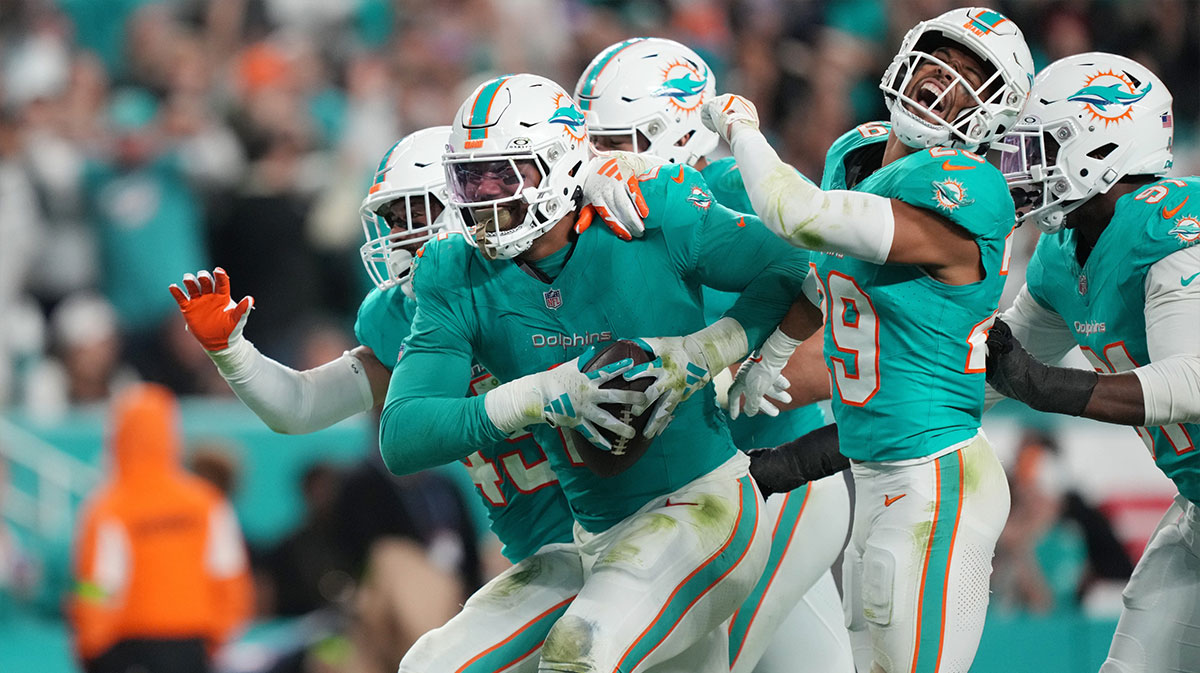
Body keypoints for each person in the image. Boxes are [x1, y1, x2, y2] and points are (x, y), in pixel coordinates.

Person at [378, 73, 809, 672]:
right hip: (593, 538)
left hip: (702, 506)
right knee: (429, 665)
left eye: (505, 174)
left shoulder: (650, 205)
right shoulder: (453, 270)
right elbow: (403, 437)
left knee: (580, 650)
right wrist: (543, 394)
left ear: (558, 165)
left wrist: (711, 351)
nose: (484, 197)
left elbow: (801, 259)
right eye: (470, 178)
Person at [171, 126, 590, 672]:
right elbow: (301, 406)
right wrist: (232, 352)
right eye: (390, 220)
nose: (395, 236)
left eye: (408, 214)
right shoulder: (401, 317)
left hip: (619, 528)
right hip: (544, 556)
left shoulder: (547, 282)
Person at [702, 7, 1034, 672]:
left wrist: (739, 126)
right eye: (941, 61)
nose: (945, 83)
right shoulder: (858, 153)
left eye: (973, 77)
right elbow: (827, 277)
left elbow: (798, 217)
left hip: (935, 476)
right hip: (876, 469)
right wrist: (769, 355)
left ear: (993, 113)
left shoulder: (971, 187)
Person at [574, 36, 852, 673]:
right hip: (670, 500)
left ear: (676, 131)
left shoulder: (737, 190)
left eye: (616, 141)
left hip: (770, 484)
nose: (600, 158)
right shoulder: (586, 214)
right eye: (591, 141)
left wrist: (728, 370)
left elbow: (836, 336)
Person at [981, 52, 1198, 673]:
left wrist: (1046, 386)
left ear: (1104, 145)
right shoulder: (1061, 252)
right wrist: (846, 428)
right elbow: (985, 377)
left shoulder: (1173, 226)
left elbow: (1193, 380)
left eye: (1042, 145)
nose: (1019, 166)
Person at [68, 383, 253, 673]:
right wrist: (219, 636)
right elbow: (229, 573)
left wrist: (90, 646)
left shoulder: (106, 508)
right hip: (193, 644)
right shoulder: (205, 502)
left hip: (126, 647)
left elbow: (97, 585)